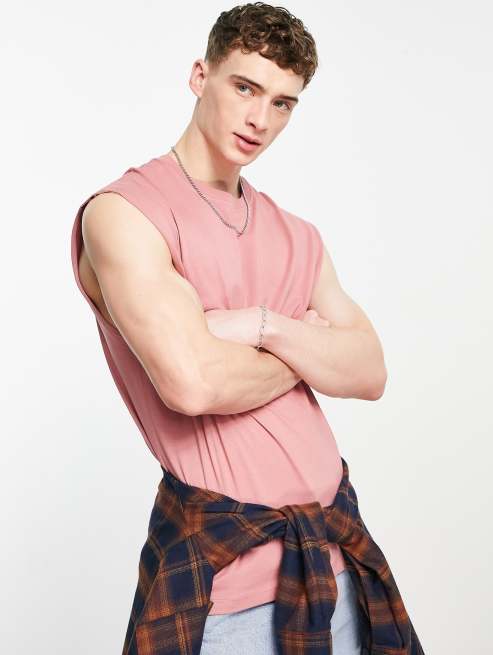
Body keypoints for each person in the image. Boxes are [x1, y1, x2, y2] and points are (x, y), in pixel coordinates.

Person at [70, 4, 392, 653]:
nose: (259, 119)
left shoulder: (296, 233)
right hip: (229, 589)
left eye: (282, 103)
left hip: (334, 561)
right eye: (245, 87)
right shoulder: (127, 213)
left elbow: (369, 370)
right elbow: (192, 384)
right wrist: (307, 344)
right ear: (201, 75)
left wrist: (260, 326)